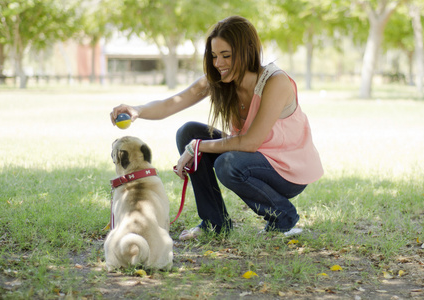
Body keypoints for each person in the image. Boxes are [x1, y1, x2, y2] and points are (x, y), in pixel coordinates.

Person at [110, 15, 323, 240]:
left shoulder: (275, 82)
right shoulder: (221, 80)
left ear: (247, 51)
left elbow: (250, 142)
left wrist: (197, 148)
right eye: (214, 56)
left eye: (226, 55)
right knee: (188, 132)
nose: (218, 63)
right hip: (255, 159)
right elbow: (172, 103)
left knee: (227, 164)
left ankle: (284, 218)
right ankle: (215, 223)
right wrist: (137, 110)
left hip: (287, 172)